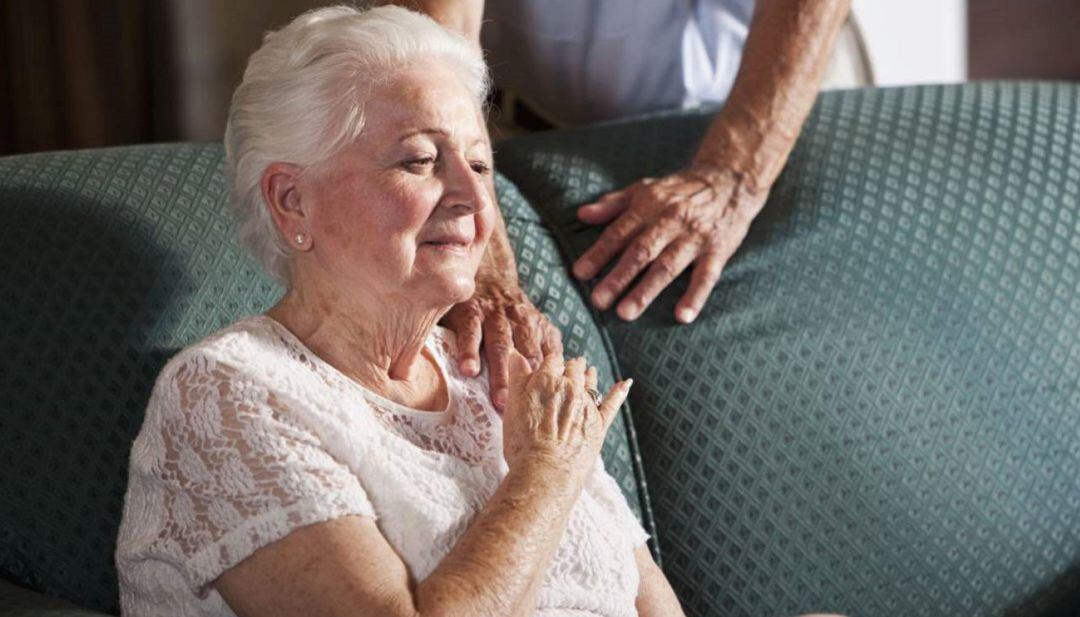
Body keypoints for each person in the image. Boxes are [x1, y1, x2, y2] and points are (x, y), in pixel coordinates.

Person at [114, 6, 685, 615]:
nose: (472, 198)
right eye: (419, 161)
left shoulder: (498, 375)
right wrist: (544, 471)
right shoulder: (228, 395)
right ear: (291, 201)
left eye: (481, 164)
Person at [390, 0, 854, 416]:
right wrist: (477, 257)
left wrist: (735, 176)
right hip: (507, 122)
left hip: (753, 126)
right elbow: (438, 27)